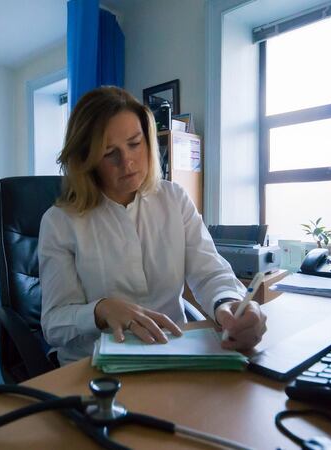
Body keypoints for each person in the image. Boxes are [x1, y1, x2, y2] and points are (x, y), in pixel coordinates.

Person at [39, 86, 267, 365]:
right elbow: (53, 324)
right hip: (93, 366)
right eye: (110, 152)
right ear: (87, 159)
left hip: (173, 353)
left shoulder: (174, 199)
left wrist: (228, 304)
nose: (128, 162)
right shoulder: (60, 222)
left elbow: (209, 273)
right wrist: (100, 311)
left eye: (135, 144)